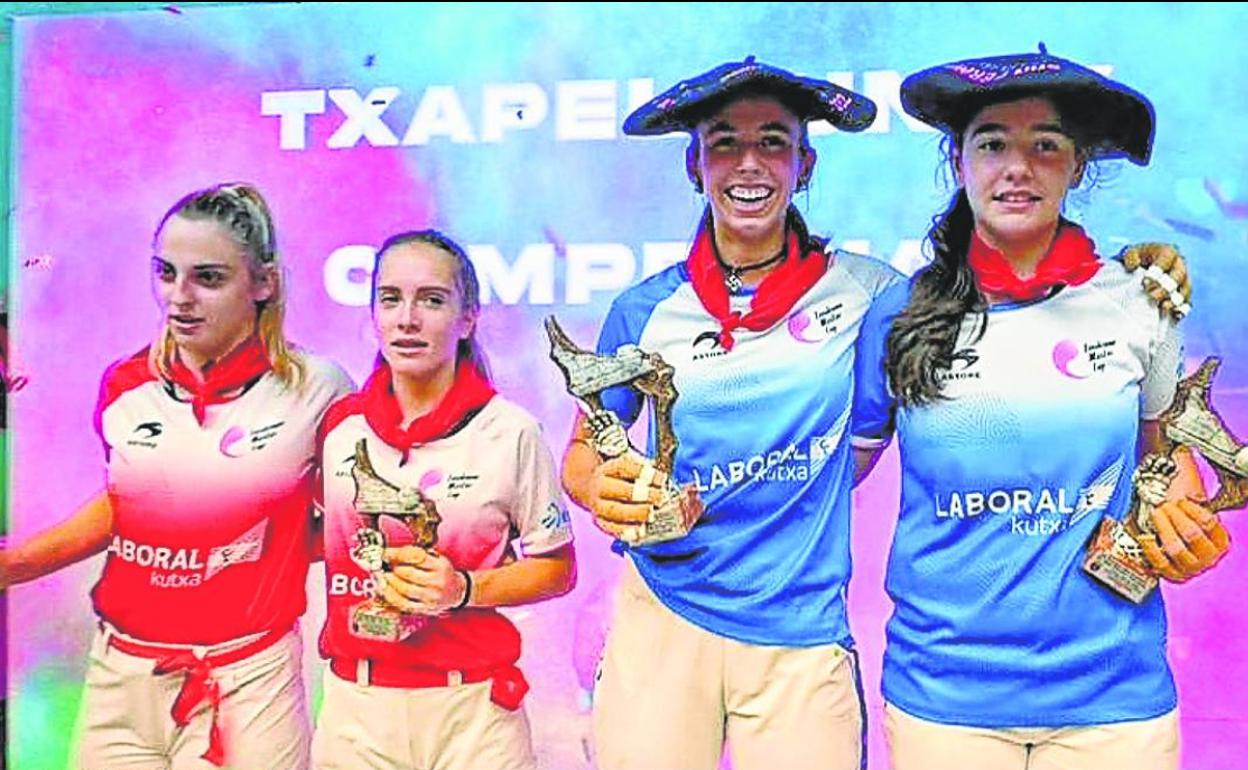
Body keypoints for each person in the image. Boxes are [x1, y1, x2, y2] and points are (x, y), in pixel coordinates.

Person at [852, 50, 1233, 770]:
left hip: (1113, 700)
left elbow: (1165, 464)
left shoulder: (1141, 301)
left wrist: (1184, 528)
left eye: (1045, 145)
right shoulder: (899, 316)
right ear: (959, 161)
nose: (1017, 167)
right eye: (992, 143)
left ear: (1077, 167)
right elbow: (828, 479)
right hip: (947, 699)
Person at [560, 57, 893, 770]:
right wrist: (605, 492)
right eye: (724, 143)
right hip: (664, 612)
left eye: (773, 141)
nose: (750, 164)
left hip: (798, 627)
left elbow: (990, 290)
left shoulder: (870, 294)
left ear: (805, 163)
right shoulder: (644, 310)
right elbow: (584, 455)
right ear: (694, 164)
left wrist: (1136, 272)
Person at [0, 183, 354, 768]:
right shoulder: (125, 385)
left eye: (208, 278)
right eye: (166, 273)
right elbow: (132, 504)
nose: (179, 298)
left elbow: (349, 524)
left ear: (263, 282)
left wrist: (263, 549)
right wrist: (18, 563)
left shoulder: (317, 389)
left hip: (247, 684)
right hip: (121, 676)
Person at [313, 230, 576, 770]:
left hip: (472, 714)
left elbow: (557, 569)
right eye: (391, 299)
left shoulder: (510, 431)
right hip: (356, 710)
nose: (408, 319)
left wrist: (463, 589)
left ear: (468, 317)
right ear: (374, 313)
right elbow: (312, 540)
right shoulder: (340, 427)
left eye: (432, 300)